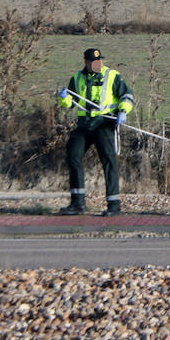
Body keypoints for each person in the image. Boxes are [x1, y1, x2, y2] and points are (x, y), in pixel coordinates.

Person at [56, 48, 134, 216]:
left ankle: (114, 205)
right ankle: (78, 203)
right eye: (94, 62)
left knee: (108, 160)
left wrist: (123, 110)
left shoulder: (112, 75)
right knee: (73, 156)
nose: (99, 64)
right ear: (86, 63)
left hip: (104, 123)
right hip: (84, 125)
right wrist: (64, 97)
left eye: (100, 61)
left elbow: (127, 95)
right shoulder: (77, 78)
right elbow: (70, 103)